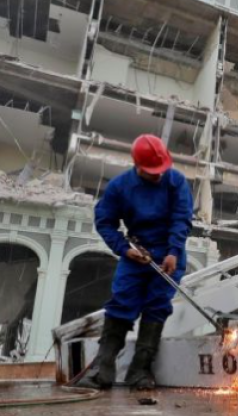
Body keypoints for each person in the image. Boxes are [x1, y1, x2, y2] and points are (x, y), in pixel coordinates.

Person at [76, 134, 193, 389]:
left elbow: (181, 219)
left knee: (156, 306)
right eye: (153, 171)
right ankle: (102, 368)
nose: (159, 175)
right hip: (136, 253)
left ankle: (140, 370)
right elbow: (105, 221)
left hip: (169, 254)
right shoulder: (120, 187)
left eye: (161, 169)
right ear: (138, 166)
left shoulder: (176, 182)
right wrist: (123, 249)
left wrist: (174, 251)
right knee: (122, 302)